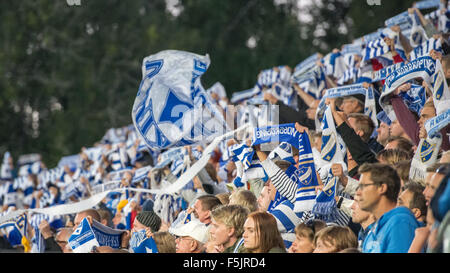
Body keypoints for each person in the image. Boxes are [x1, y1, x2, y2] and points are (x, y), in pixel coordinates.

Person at [357, 163, 420, 253]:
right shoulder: (374, 229)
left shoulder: (400, 222)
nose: (358, 192)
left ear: (382, 188)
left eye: (363, 186)